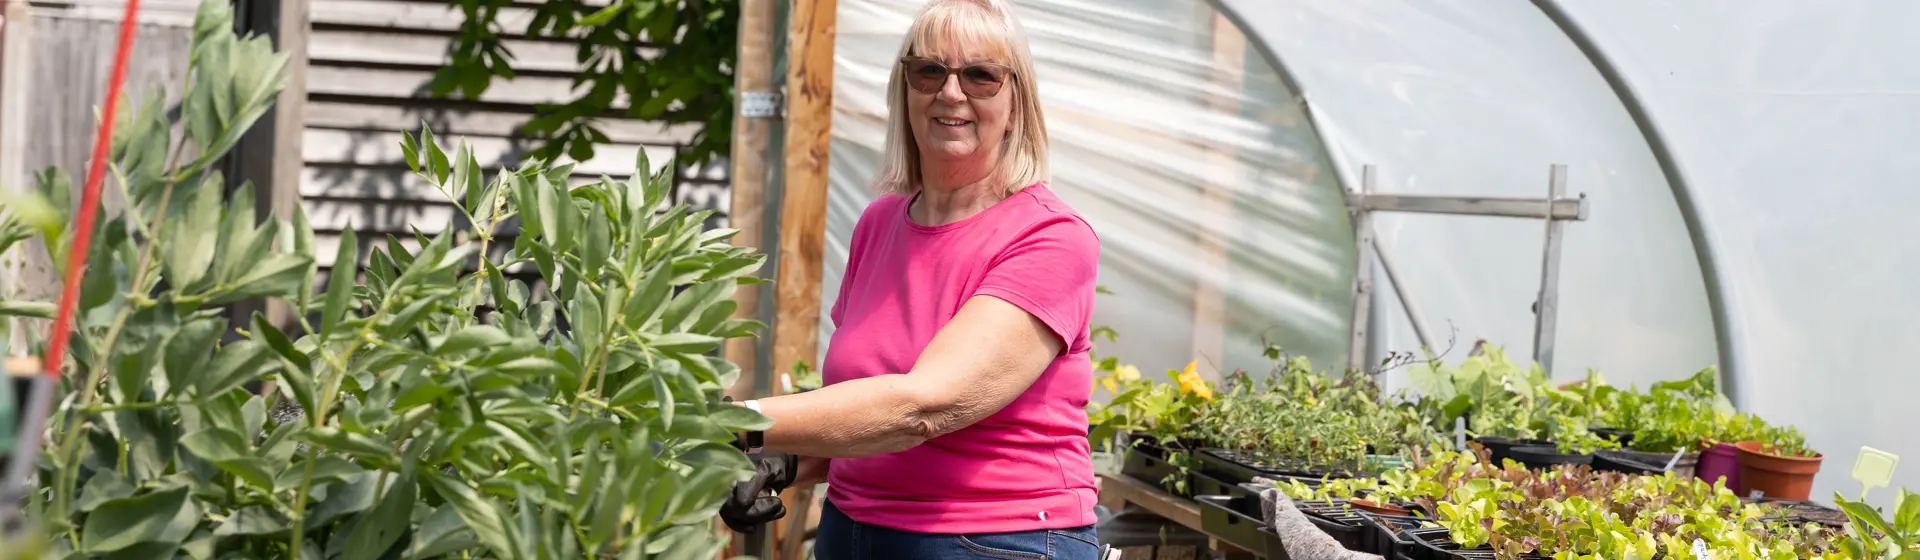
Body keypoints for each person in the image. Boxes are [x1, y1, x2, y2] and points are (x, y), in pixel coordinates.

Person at [717, 0, 1104, 558]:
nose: (951, 92)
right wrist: (786, 462)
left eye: (980, 75)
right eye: (929, 71)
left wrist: (738, 422)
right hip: (852, 530)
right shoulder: (880, 222)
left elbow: (924, 407)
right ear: (905, 90)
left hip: (995, 539)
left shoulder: (1050, 237)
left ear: (1017, 105)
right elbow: (862, 409)